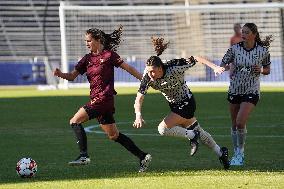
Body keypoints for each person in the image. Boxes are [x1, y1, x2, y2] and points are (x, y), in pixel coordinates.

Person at [53, 25, 152, 173]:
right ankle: (143, 156)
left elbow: (129, 68)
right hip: (99, 101)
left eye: (89, 41)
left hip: (103, 99)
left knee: (74, 121)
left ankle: (83, 155)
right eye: (85, 41)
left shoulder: (109, 55)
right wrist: (61, 74)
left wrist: (144, 80)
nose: (87, 44)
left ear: (98, 40)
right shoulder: (87, 59)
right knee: (114, 135)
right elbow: (72, 76)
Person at [133, 37, 230, 170]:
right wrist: (138, 115)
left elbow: (195, 58)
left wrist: (215, 67)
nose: (150, 74)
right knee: (199, 132)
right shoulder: (147, 78)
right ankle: (221, 152)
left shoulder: (175, 66)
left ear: (160, 68)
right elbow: (139, 98)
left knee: (162, 129)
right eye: (148, 71)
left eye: (152, 71)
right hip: (175, 105)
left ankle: (191, 135)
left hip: (187, 102)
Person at [220, 23, 273, 166]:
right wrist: (228, 67)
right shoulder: (234, 49)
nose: (243, 34)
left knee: (240, 122)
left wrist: (261, 70)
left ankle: (240, 153)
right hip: (235, 89)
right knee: (233, 124)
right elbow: (223, 63)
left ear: (254, 34)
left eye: (246, 32)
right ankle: (236, 150)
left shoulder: (263, 51)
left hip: (252, 90)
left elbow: (267, 69)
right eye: (242, 32)